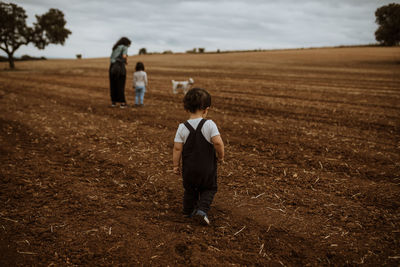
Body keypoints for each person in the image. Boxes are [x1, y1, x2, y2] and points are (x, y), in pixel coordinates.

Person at [172, 88, 225, 225]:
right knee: (209, 188)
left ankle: (188, 211)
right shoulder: (209, 124)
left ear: (186, 109)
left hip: (189, 169)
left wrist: (175, 166)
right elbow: (218, 143)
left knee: (190, 189)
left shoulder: (182, 127)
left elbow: (177, 148)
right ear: (206, 109)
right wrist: (221, 157)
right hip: (206, 169)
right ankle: (201, 211)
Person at [109, 37, 131, 108]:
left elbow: (112, 58)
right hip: (120, 67)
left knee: (113, 84)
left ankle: (113, 102)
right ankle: (122, 103)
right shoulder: (124, 47)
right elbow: (124, 56)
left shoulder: (115, 47)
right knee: (121, 85)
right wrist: (126, 61)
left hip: (112, 67)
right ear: (126, 43)